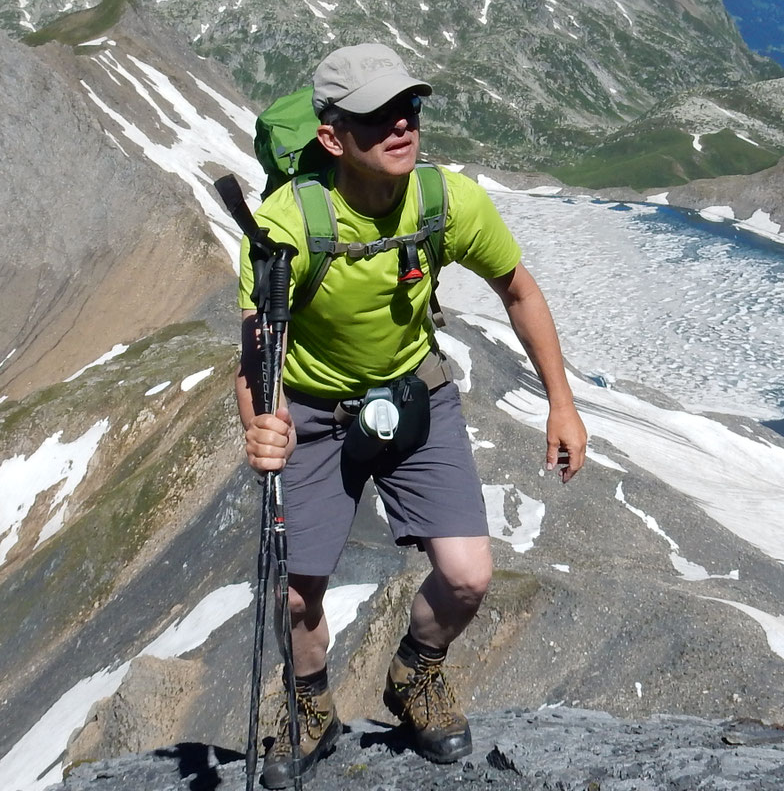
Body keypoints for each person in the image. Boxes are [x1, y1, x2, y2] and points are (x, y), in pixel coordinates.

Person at [235, 43, 587, 786]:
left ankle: (414, 677)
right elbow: (258, 348)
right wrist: (260, 420)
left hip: (413, 393)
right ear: (332, 137)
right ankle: (310, 707)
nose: (402, 126)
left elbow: (518, 289)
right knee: (296, 594)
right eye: (377, 118)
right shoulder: (284, 224)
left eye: (410, 109)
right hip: (312, 410)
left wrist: (562, 402)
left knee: (467, 577)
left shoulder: (445, 201)